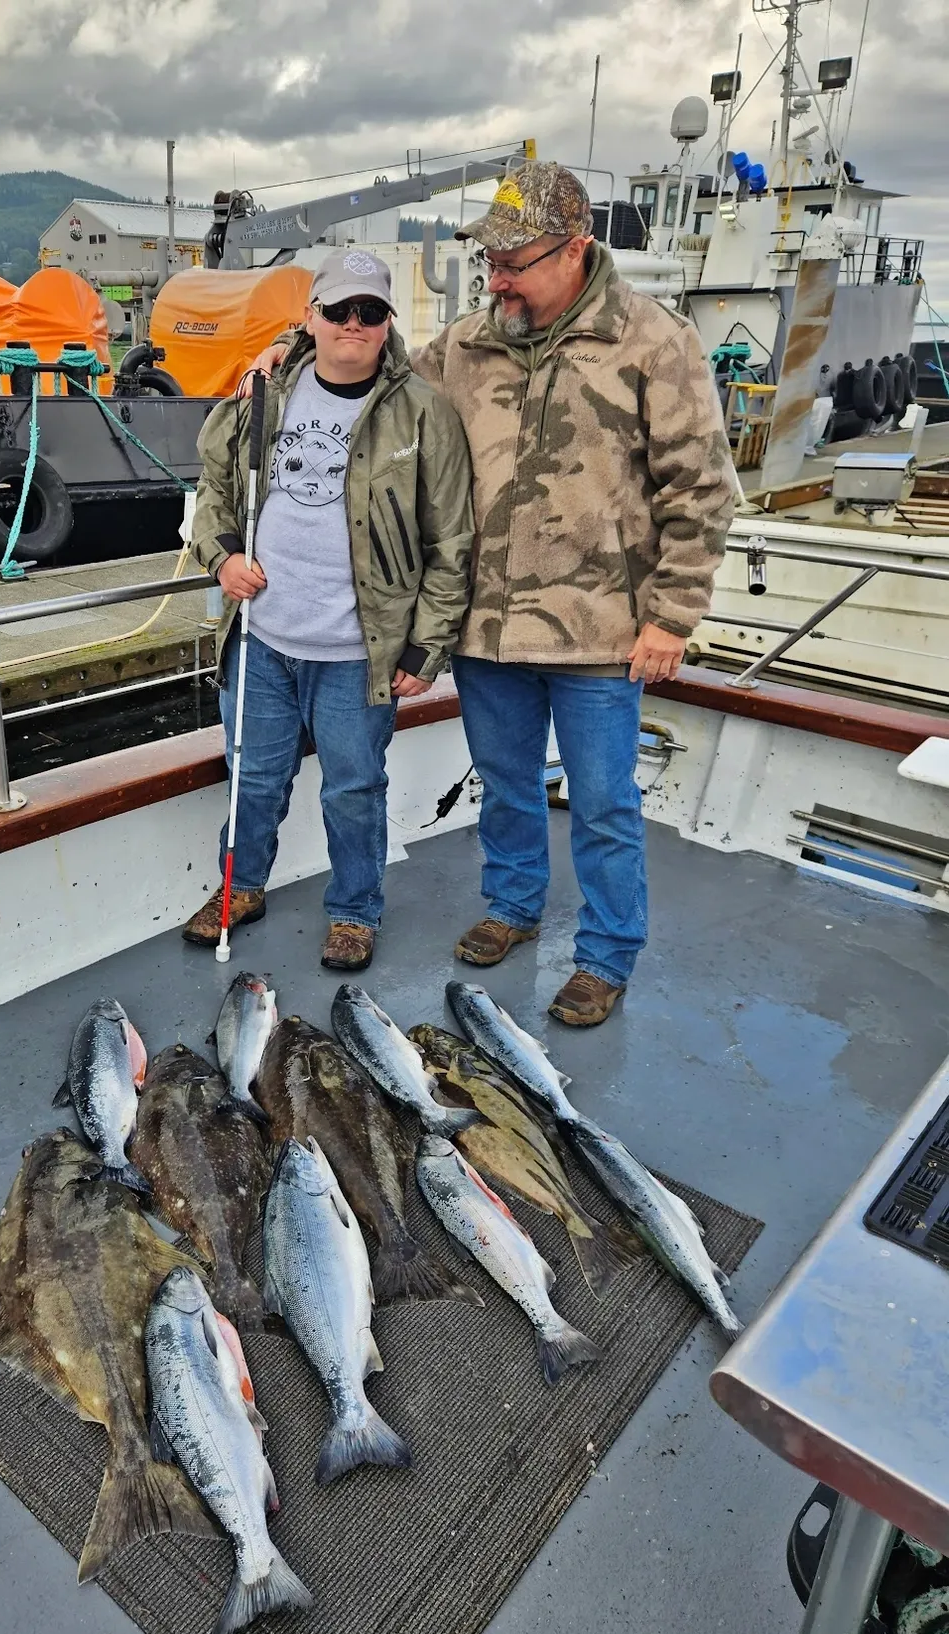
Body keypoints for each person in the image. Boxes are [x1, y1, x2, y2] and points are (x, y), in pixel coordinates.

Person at [250, 161, 736, 1023]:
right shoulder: (467, 345)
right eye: (491, 261)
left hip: (600, 632)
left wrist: (671, 616)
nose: (497, 277)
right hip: (488, 629)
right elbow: (379, 378)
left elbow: (698, 490)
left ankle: (605, 955)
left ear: (577, 250)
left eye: (515, 261)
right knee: (506, 785)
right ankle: (513, 908)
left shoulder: (654, 341)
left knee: (603, 806)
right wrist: (295, 351)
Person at [181, 249, 474, 971]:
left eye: (369, 311)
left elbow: (452, 540)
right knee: (252, 773)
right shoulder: (265, 393)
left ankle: (353, 911)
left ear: (386, 324)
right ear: (310, 318)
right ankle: (240, 885)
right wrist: (221, 557)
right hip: (262, 641)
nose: (353, 324)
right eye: (338, 309)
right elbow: (213, 487)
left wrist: (423, 650)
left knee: (353, 788)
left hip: (356, 654)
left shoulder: (424, 414)